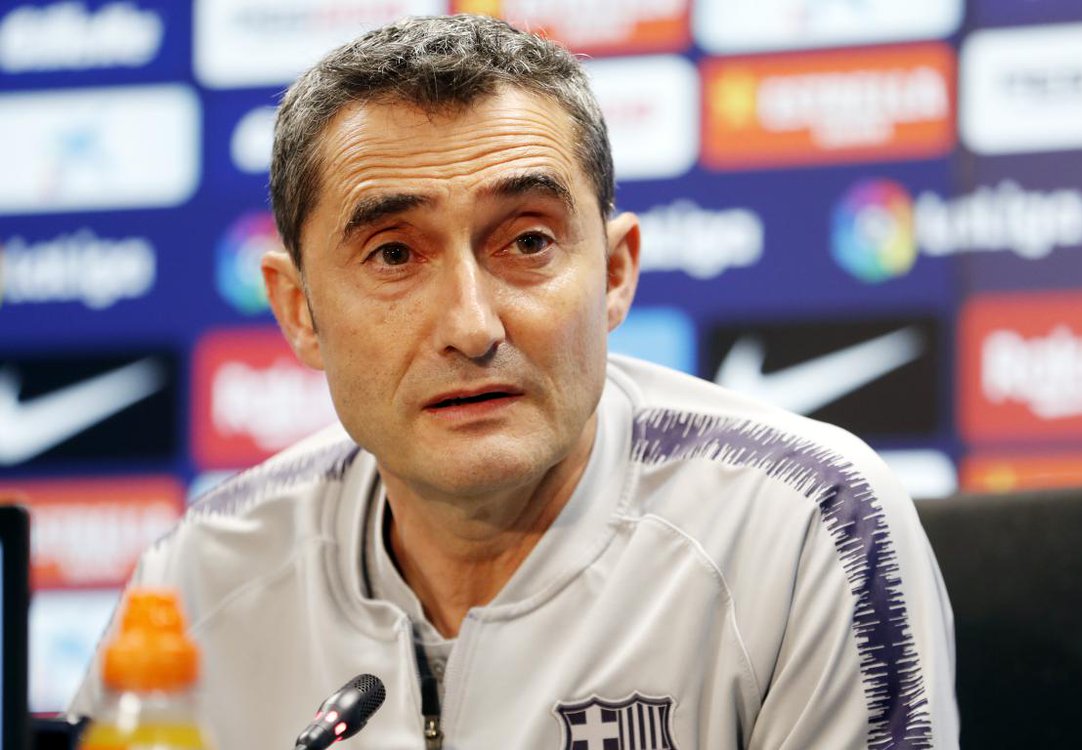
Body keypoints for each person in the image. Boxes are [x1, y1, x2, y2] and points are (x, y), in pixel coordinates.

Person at [71, 14, 958, 749]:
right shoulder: (199, 577)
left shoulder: (804, 528)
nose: (470, 324)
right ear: (299, 310)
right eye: (393, 254)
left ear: (614, 275)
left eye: (527, 241)